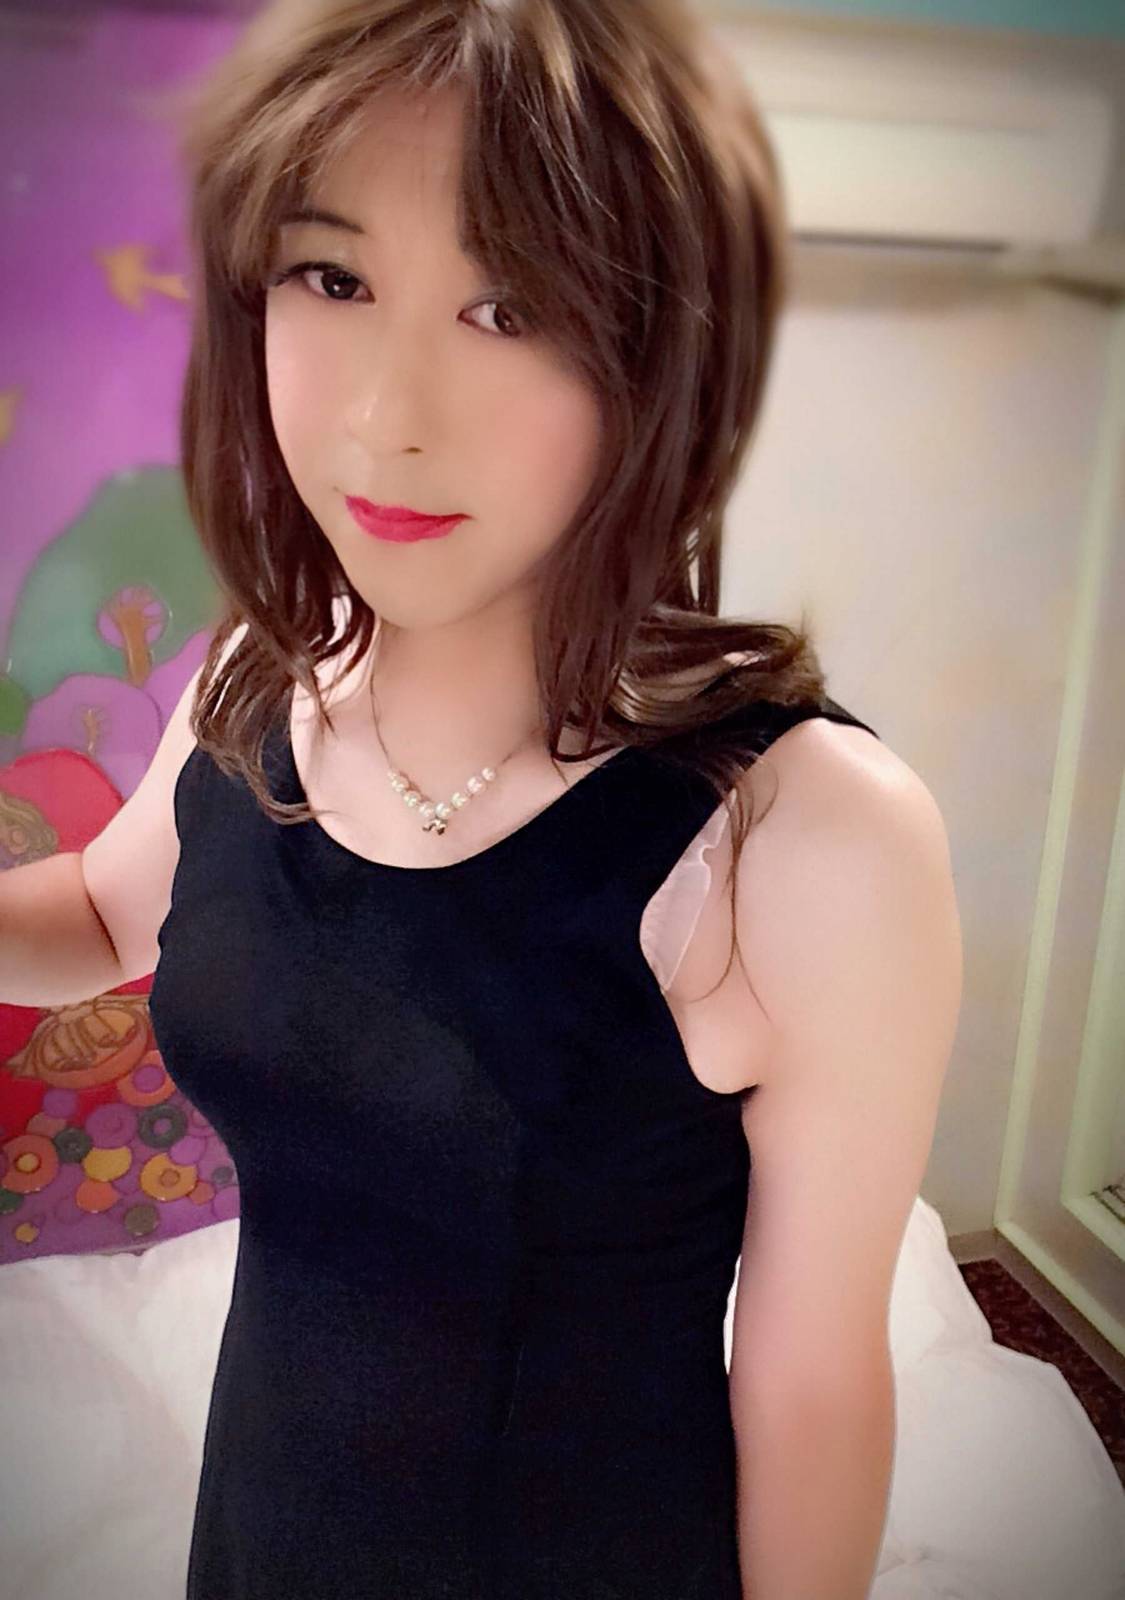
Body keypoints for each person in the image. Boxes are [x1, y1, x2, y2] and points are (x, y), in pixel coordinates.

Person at [3, 1, 963, 1596]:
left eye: (509, 306)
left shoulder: (806, 837)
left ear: (663, 353)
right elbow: (107, 912)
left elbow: (809, 1391)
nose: (388, 414)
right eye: (332, 279)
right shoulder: (260, 672)